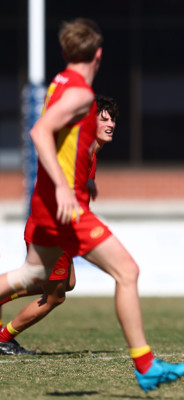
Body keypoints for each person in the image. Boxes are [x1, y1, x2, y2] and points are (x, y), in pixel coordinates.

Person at [0, 19, 184, 391]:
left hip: (47, 202)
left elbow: (56, 136)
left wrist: (76, 177)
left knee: (32, 277)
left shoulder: (58, 83)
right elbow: (39, 132)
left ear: (66, 52)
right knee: (128, 272)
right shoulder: (80, 94)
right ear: (99, 54)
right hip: (65, 206)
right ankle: (146, 364)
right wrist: (62, 186)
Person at [0, 95, 119, 355]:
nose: (111, 123)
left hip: (53, 229)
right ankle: (4, 338)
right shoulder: (82, 152)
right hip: (53, 230)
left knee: (67, 283)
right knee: (56, 296)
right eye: (104, 118)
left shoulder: (89, 153)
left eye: (113, 119)